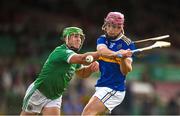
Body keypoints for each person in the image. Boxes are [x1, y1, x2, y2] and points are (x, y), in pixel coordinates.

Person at [20, 27, 99, 115]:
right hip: (39, 92)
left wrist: (90, 69)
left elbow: (82, 73)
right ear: (66, 38)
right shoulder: (62, 51)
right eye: (75, 36)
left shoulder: (75, 57)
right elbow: (82, 58)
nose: (79, 39)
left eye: (80, 37)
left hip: (55, 96)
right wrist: (102, 53)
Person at [82, 12, 136, 115]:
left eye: (115, 27)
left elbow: (126, 71)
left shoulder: (128, 44)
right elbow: (102, 51)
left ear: (121, 28)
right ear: (105, 25)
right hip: (102, 85)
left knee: (87, 113)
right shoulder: (102, 39)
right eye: (109, 26)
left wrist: (123, 58)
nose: (111, 29)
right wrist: (116, 54)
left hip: (114, 88)